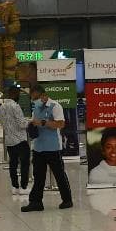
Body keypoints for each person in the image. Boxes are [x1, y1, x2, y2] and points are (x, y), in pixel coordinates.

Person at [22, 82, 73, 211]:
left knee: (59, 174)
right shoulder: (36, 108)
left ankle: (67, 200)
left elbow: (61, 124)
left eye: (36, 98)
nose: (34, 100)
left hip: (53, 147)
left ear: (43, 95)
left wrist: (44, 123)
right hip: (39, 147)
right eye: (32, 98)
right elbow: (35, 123)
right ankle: (36, 202)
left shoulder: (55, 106)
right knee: (38, 176)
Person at [0, 85, 31, 195]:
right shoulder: (15, 106)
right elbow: (22, 124)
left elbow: (2, 123)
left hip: (9, 140)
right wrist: (30, 121)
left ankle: (15, 186)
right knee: (24, 164)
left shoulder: (2, 107)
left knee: (13, 164)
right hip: (20, 140)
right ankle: (24, 187)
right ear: (15, 94)